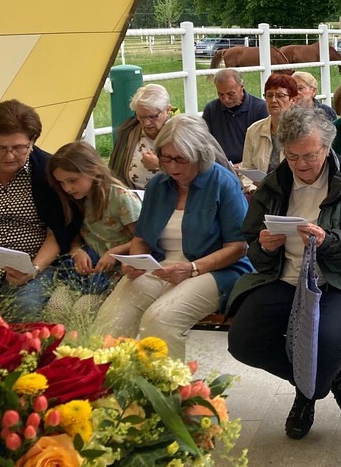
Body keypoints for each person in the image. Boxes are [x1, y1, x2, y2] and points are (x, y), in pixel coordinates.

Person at [227, 107, 341, 440]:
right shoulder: (274, 185)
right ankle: (326, 377)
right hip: (285, 277)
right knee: (243, 341)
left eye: (310, 156)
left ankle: (307, 395)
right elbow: (253, 247)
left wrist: (327, 241)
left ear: (327, 148)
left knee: (324, 347)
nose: (301, 165)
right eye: (292, 156)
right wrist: (265, 247)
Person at [95, 115, 252, 358]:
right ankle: (109, 377)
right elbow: (141, 239)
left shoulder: (223, 183)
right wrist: (136, 262)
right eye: (165, 158)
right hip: (162, 266)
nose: (173, 167)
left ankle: (167, 382)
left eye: (181, 159)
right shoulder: (159, 185)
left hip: (214, 270)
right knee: (110, 319)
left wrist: (191, 269)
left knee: (160, 320)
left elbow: (238, 246)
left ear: (200, 155)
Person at [0, 100, 70, 320]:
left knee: (23, 307)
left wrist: (34, 268)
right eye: (0, 148)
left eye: (19, 147)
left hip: (36, 264)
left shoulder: (48, 172)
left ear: (32, 142)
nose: (10, 156)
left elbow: (58, 231)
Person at [46, 141, 141, 317]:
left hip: (117, 273)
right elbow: (75, 236)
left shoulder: (120, 197)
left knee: (83, 310)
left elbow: (143, 239)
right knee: (56, 307)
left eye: (72, 180)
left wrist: (114, 252)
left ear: (94, 169)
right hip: (84, 272)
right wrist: (77, 251)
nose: (67, 188)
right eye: (61, 183)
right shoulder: (73, 199)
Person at [109, 83, 175, 190]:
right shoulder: (129, 131)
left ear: (167, 110)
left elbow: (190, 174)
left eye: (152, 117)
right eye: (141, 117)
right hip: (134, 195)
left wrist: (159, 164)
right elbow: (116, 172)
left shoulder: (179, 134)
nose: (146, 123)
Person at [202, 68, 268, 165]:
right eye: (221, 94)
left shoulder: (260, 108)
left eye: (231, 94)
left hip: (251, 166)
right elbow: (204, 143)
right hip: (220, 165)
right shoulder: (211, 109)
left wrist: (243, 165)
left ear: (242, 87)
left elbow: (264, 149)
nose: (226, 99)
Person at [241, 74, 299, 174]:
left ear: (293, 100)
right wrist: (251, 184)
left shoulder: (302, 130)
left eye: (280, 96)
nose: (273, 100)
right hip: (259, 184)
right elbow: (246, 169)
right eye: (269, 95)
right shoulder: (254, 130)